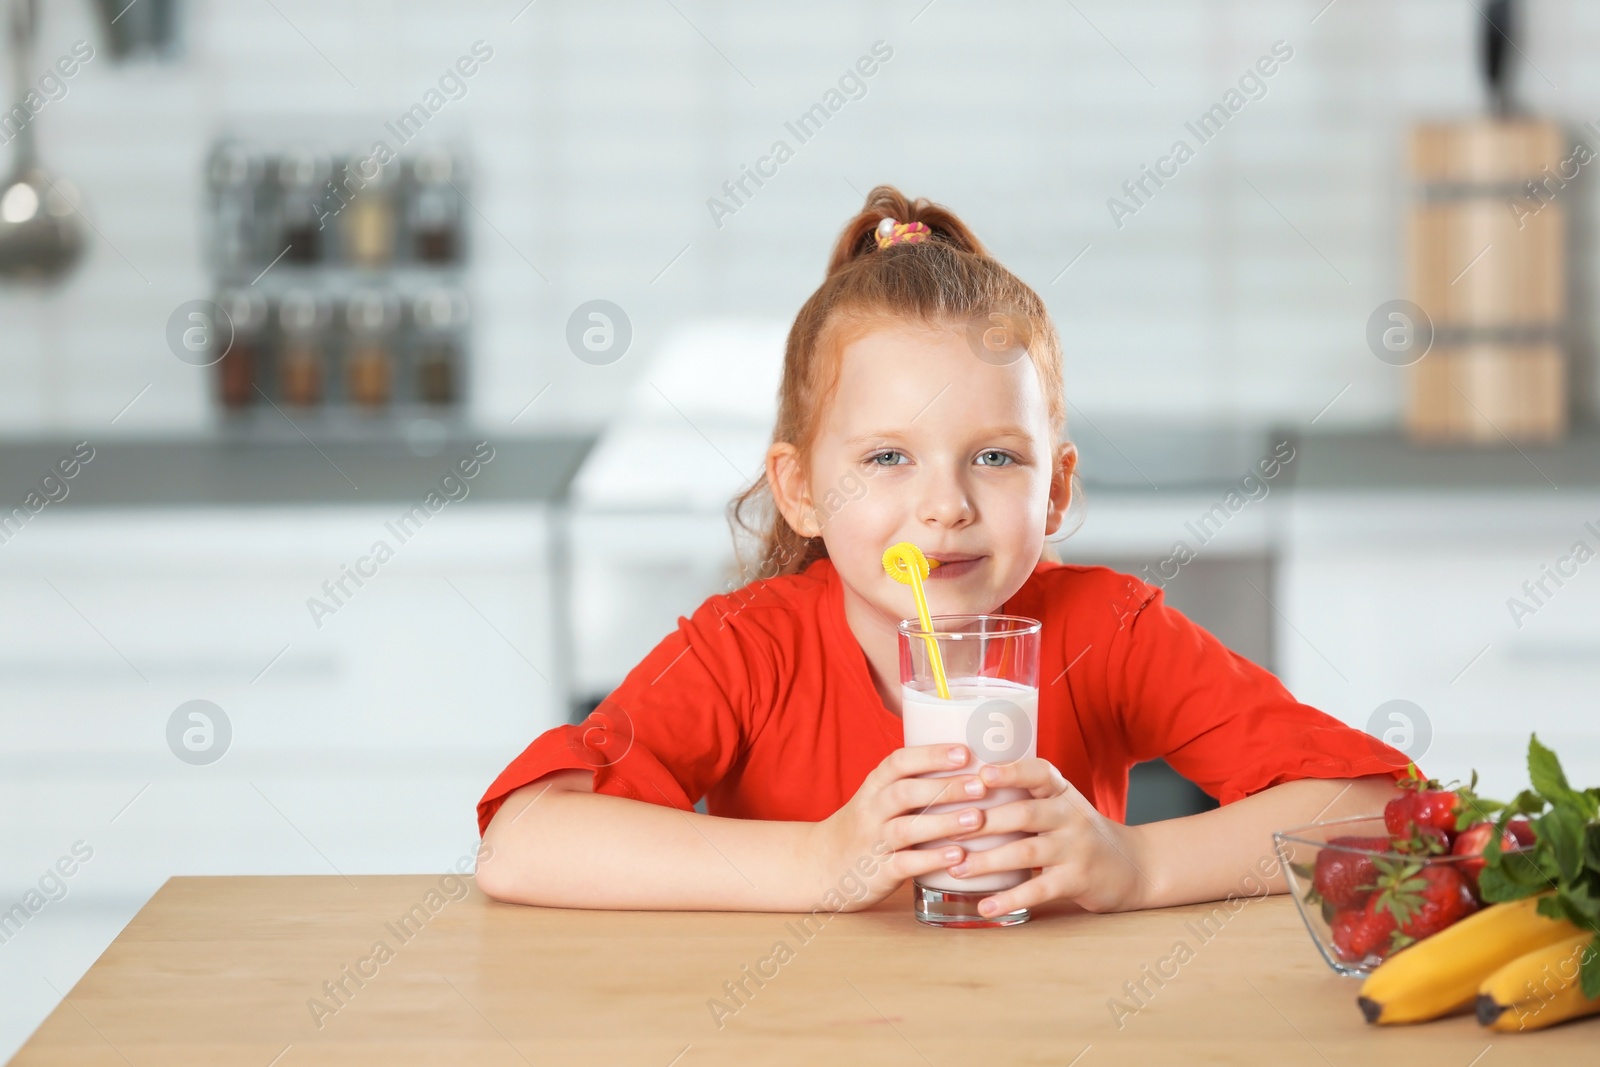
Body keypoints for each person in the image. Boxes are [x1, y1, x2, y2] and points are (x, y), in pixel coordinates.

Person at [474, 186, 1411, 919]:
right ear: (800, 489)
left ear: (1056, 486)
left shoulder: (1106, 630)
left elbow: (1379, 811)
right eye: (888, 457)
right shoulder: (746, 652)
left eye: (996, 457)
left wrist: (1138, 862)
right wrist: (820, 861)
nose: (946, 506)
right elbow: (522, 843)